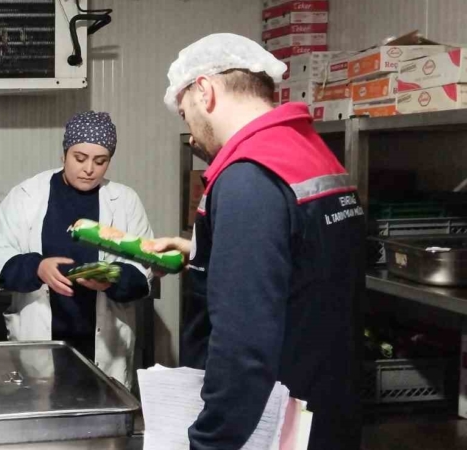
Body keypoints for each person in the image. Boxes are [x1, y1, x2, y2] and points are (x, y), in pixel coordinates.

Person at [149, 34, 364, 449]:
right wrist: (204, 254)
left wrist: (209, 442)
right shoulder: (311, 152)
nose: (192, 135)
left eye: (185, 115)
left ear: (205, 91)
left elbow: (242, 349)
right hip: (327, 410)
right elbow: (303, 264)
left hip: (272, 425)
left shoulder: (248, 177)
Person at [0, 111, 154, 386]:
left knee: (104, 405)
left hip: (103, 345)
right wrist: (37, 267)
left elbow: (143, 268)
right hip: (40, 340)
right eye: (80, 158)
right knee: (40, 405)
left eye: (100, 161)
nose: (89, 169)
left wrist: (112, 277)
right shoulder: (27, 195)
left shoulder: (125, 201)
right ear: (63, 155)